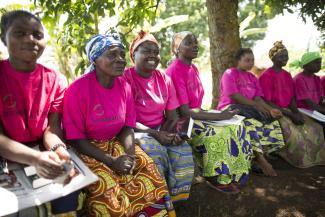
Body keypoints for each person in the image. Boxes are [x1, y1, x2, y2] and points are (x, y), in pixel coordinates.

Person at [63, 33, 169, 217]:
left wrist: (130, 155)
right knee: (108, 190)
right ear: (95, 59)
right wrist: (111, 161)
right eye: (112, 55)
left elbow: (127, 126)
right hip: (88, 149)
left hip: (115, 143)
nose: (120, 59)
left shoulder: (124, 86)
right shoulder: (77, 90)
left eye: (121, 54)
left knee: (149, 172)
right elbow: (77, 139)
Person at [0, 10, 79, 217]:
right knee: (21, 211)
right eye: (19, 33)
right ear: (3, 38)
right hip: (7, 155)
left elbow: (52, 129)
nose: (30, 40)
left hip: (40, 149)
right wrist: (35, 158)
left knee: (68, 191)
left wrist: (59, 149)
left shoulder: (55, 79)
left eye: (37, 35)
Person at [166, 31, 252, 194]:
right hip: (182, 122)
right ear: (177, 48)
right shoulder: (175, 70)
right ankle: (214, 177)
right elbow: (185, 112)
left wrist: (219, 116)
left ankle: (235, 173)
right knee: (216, 133)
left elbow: (197, 106)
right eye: (189, 43)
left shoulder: (193, 68)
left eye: (195, 42)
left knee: (237, 125)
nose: (195, 45)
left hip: (197, 114)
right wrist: (220, 116)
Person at [123, 31, 194, 215]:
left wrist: (170, 134)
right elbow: (126, 120)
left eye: (156, 51)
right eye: (147, 51)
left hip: (160, 129)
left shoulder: (164, 79)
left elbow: (171, 116)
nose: (153, 56)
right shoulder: (125, 79)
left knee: (183, 150)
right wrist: (156, 135)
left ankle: (174, 200)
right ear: (133, 55)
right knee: (156, 152)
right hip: (133, 130)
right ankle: (158, 206)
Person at [217, 47, 286, 177]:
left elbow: (258, 98)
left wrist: (270, 110)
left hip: (249, 110)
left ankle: (260, 156)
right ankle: (262, 161)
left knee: (271, 121)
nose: (250, 63)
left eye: (252, 60)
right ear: (238, 61)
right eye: (247, 60)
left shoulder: (252, 77)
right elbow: (235, 96)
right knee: (249, 124)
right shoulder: (229, 73)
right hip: (230, 110)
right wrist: (256, 106)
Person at [259, 41, 325, 168]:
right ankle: (298, 160)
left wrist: (295, 112)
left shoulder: (287, 74)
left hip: (288, 109)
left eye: (286, 56)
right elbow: (267, 101)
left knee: (314, 127)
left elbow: (291, 97)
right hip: (274, 109)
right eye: (282, 56)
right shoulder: (267, 76)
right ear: (273, 58)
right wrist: (290, 114)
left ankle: (316, 159)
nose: (285, 59)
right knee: (294, 133)